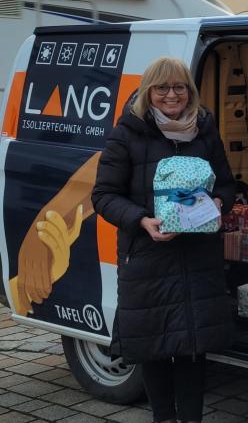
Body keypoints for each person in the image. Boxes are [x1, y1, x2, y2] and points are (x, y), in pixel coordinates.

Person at [92, 57, 236, 423]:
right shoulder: (128, 133)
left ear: (190, 92)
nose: (172, 95)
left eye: (180, 87)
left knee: (192, 348)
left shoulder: (204, 130)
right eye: (162, 88)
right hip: (149, 258)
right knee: (154, 349)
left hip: (198, 258)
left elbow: (226, 184)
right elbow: (104, 195)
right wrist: (142, 220)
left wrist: (220, 201)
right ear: (148, 93)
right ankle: (163, 418)